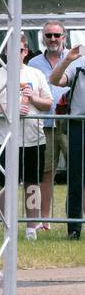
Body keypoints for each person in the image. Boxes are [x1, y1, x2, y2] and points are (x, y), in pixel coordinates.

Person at [0, 34, 52, 240]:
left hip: (33, 138)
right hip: (3, 140)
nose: (14, 53)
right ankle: (7, 226)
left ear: (25, 52)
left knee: (32, 184)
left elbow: (48, 103)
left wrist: (33, 97)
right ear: (5, 52)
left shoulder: (36, 74)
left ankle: (31, 228)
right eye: (9, 49)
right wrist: (10, 109)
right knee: (5, 184)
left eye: (19, 49)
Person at [28, 19, 68, 232]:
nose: (52, 39)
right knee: (45, 173)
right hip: (45, 124)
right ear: (43, 38)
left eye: (56, 35)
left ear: (64, 37)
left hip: (72, 124)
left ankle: (78, 219)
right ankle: (44, 220)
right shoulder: (33, 64)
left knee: (80, 172)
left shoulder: (77, 59)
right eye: (48, 35)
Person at [48, 42, 85, 238]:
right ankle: (74, 229)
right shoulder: (77, 63)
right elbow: (54, 80)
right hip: (79, 125)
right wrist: (67, 60)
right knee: (76, 178)